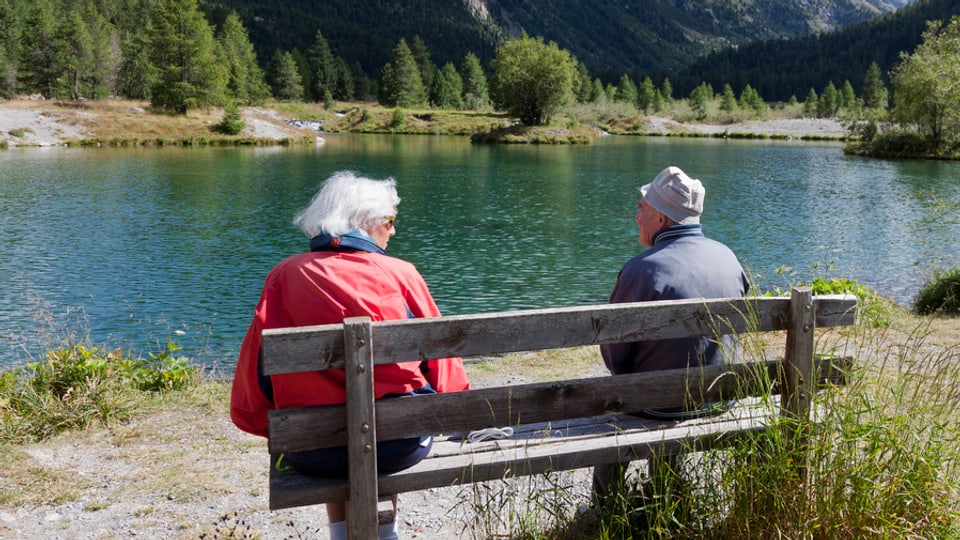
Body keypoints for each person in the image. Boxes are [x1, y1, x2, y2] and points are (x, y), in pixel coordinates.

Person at [230, 171, 471, 540]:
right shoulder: (401, 273)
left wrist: (275, 431)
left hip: (311, 449)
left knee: (338, 433)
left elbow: (254, 376)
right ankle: (385, 533)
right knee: (386, 423)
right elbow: (447, 376)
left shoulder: (283, 275)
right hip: (399, 446)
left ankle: (341, 535)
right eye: (390, 221)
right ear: (364, 222)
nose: (393, 231)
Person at [593, 165, 749, 500]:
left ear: (662, 218)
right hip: (719, 398)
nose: (637, 216)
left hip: (656, 406)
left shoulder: (643, 269)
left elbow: (614, 356)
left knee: (622, 397)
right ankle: (668, 496)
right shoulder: (728, 258)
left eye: (641, 208)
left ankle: (605, 509)